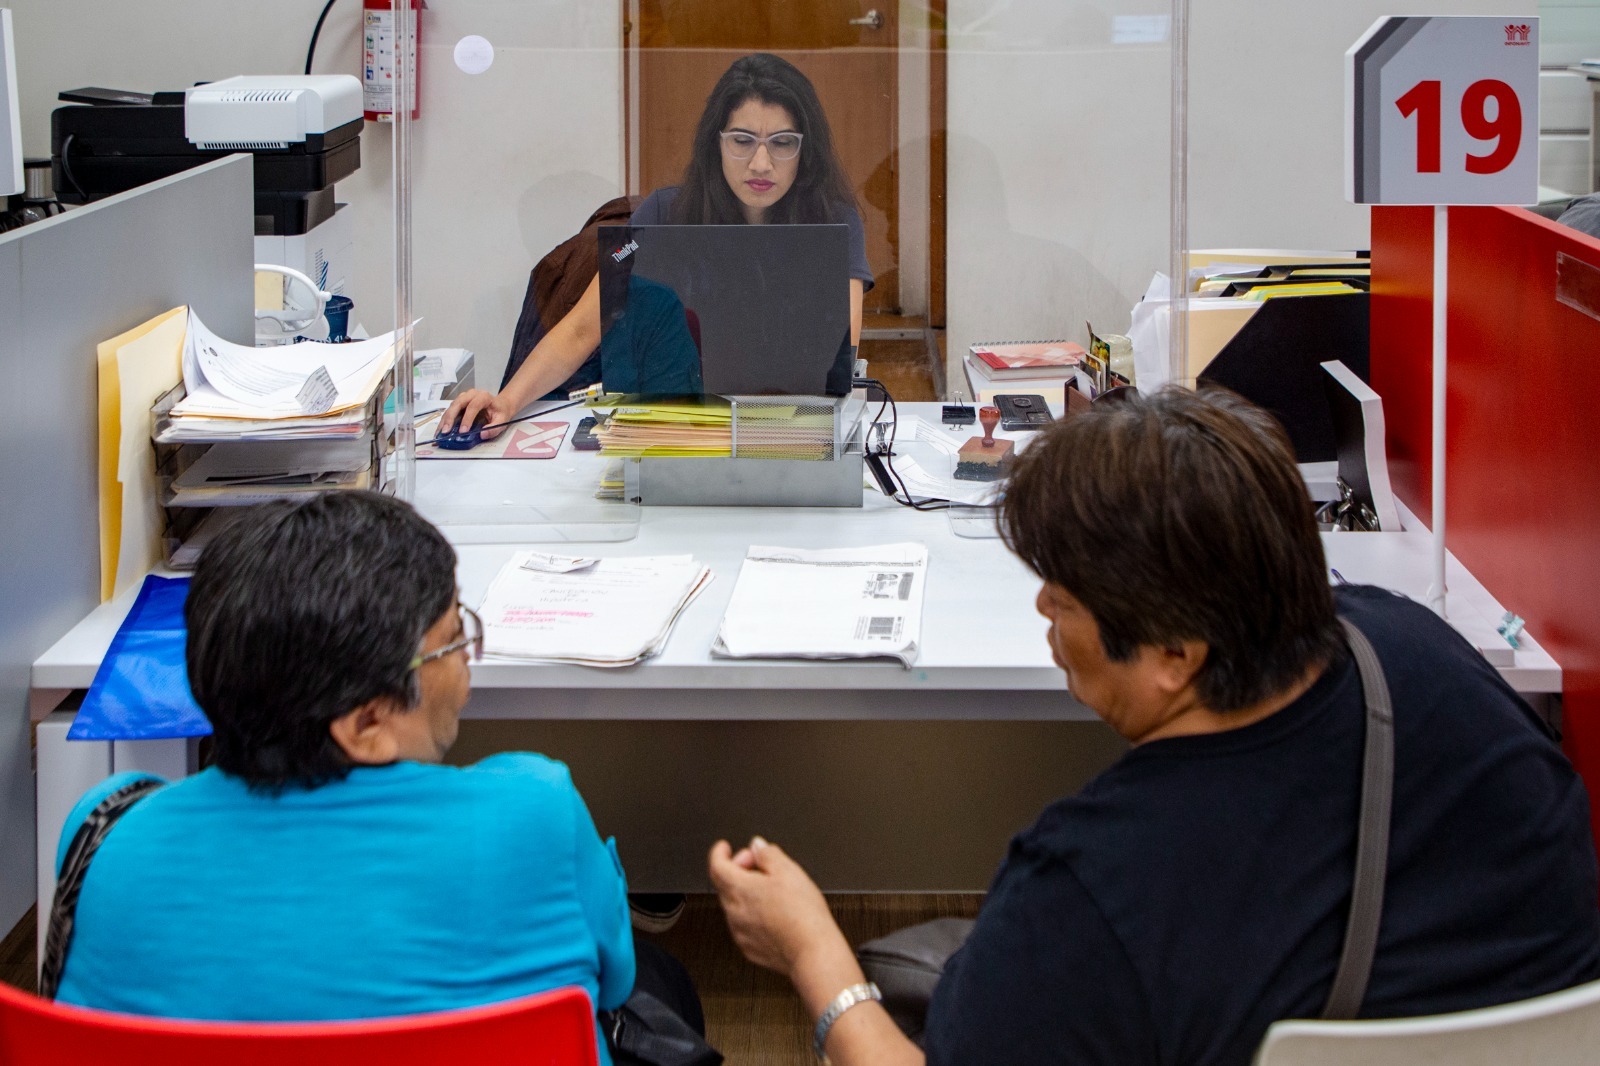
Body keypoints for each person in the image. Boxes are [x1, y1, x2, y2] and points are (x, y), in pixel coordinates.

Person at [709, 386, 1600, 1066]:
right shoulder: (1420, 654)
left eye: (1064, 594)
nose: (1043, 607)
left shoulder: (1088, 888)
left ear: (1175, 652)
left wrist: (811, 949)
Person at [49, 492, 703, 1065]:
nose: (467, 664)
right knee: (660, 984)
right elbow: (615, 984)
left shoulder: (104, 834)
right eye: (453, 641)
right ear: (364, 723)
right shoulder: (538, 812)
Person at [445, 52, 874, 438]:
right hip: (674, 431)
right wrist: (507, 401)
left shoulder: (833, 223)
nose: (761, 163)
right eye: (742, 141)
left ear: (804, 150)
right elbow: (581, 329)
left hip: (787, 430)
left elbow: (835, 352)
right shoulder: (661, 216)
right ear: (716, 144)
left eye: (782, 143)